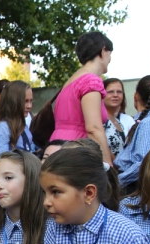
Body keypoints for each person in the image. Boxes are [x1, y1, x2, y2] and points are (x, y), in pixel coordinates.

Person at [51, 31, 113, 163]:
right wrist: (108, 165)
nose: (110, 59)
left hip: (56, 147)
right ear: (103, 51)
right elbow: (94, 128)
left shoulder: (71, 81)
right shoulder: (91, 80)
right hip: (77, 151)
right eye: (110, 54)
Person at [114, 76, 150, 191]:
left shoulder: (149, 123)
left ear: (135, 96)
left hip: (133, 185)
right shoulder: (146, 121)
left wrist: (117, 182)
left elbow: (143, 163)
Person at [0, 80, 34, 171]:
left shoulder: (23, 126)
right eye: (25, 101)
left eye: (31, 101)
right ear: (13, 102)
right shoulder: (2, 128)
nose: (29, 106)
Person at [103, 78, 135, 155]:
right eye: (110, 92)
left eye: (119, 92)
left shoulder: (117, 121)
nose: (115, 95)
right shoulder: (99, 119)